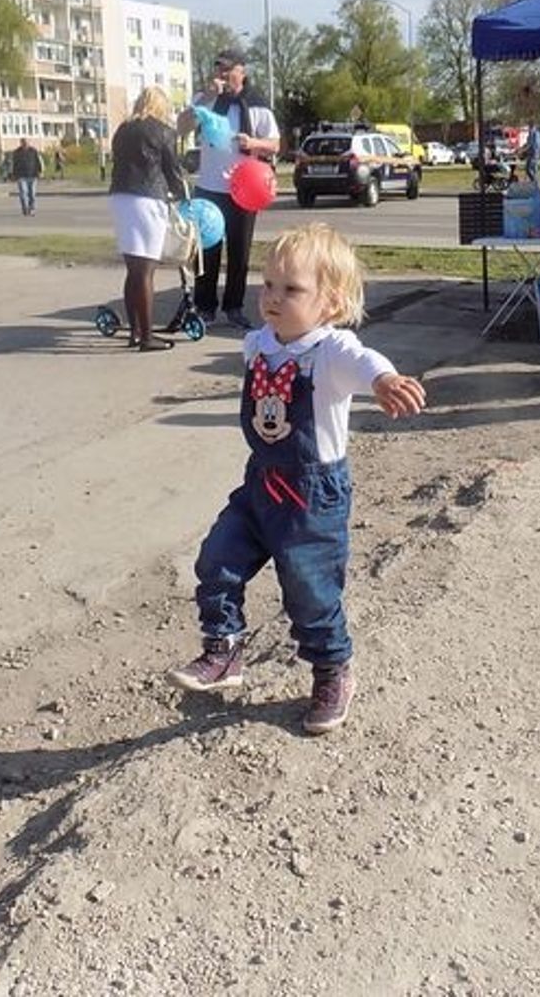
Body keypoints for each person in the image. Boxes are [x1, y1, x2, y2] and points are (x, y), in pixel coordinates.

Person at [166, 223, 426, 734]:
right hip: (261, 482)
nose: (273, 297)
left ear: (330, 303)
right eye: (268, 284)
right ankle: (223, 649)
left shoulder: (330, 350)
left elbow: (364, 359)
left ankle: (332, 670)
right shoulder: (257, 344)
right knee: (217, 557)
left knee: (310, 592)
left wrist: (384, 379)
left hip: (312, 497)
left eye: (292, 289)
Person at [179, 47, 279, 330]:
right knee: (206, 251)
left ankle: (234, 307)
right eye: (218, 68)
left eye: (227, 69)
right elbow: (182, 127)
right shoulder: (205, 99)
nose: (221, 74)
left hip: (244, 189)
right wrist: (206, 98)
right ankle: (205, 307)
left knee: (239, 252)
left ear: (241, 72)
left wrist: (253, 143)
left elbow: (275, 144)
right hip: (209, 186)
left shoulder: (257, 104)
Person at [108, 86, 188, 351]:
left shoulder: (122, 130)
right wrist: (182, 194)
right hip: (148, 199)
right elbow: (172, 170)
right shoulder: (163, 131)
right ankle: (147, 337)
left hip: (120, 197)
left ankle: (135, 332)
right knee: (146, 270)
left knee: (133, 269)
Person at [10, 137, 44, 217]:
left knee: (32, 193)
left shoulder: (34, 151)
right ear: (21, 143)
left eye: (26, 142)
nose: (25, 144)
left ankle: (31, 208)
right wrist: (12, 174)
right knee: (23, 192)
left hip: (32, 175)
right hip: (21, 176)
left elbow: (39, 161)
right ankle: (25, 208)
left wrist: (41, 171)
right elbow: (13, 164)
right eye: (23, 142)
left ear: (29, 143)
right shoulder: (16, 152)